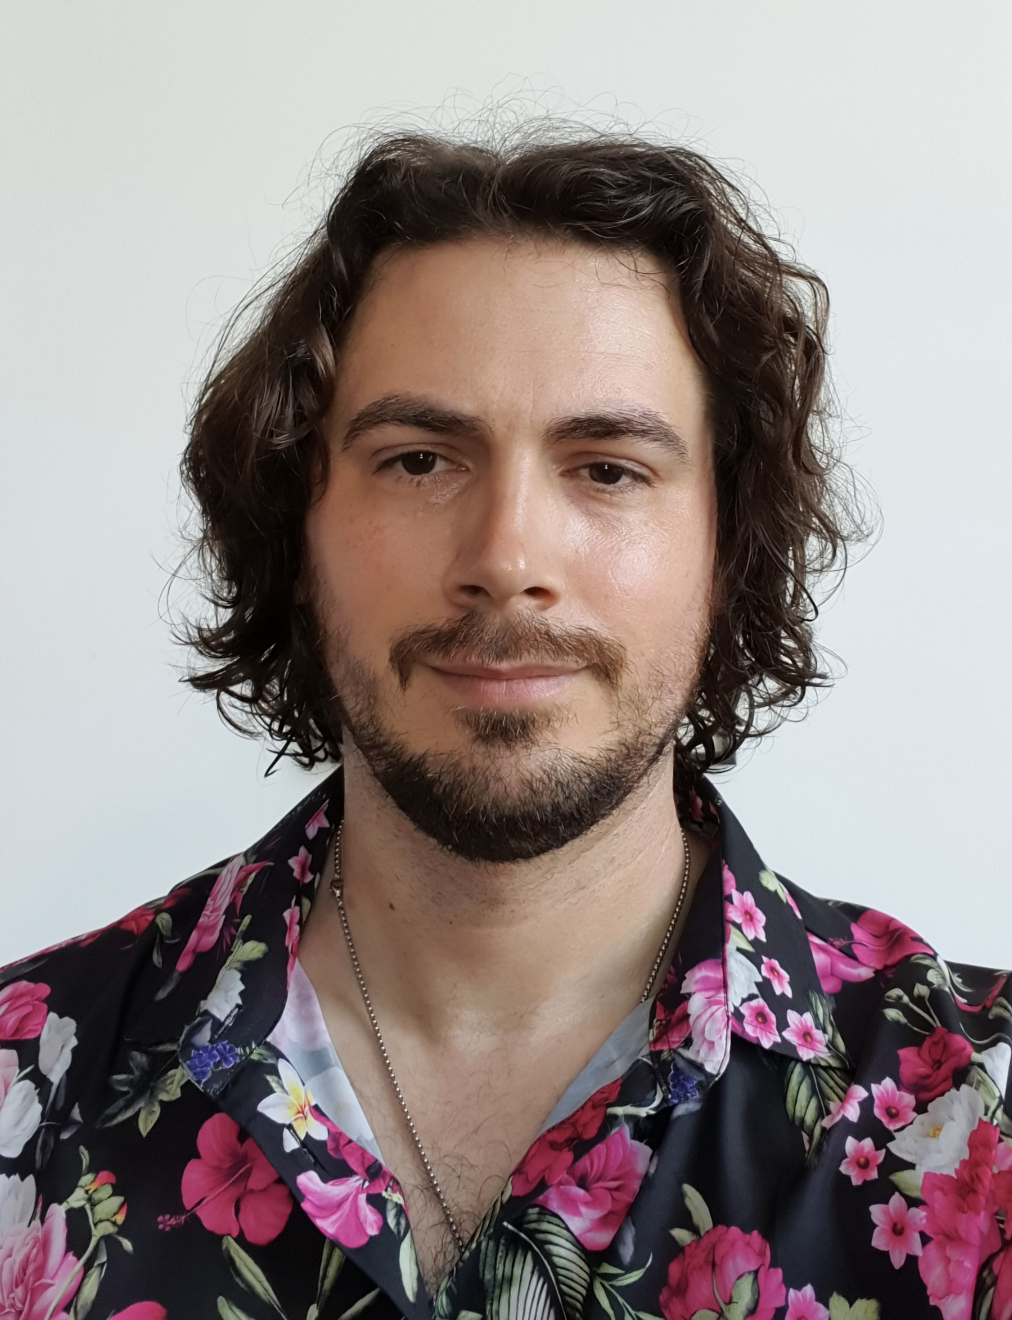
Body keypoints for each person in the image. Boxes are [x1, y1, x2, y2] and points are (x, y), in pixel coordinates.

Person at [1, 125, 1009, 1320]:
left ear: (725, 548)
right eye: (420, 460)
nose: (507, 558)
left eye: (609, 468)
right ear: (297, 530)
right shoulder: (28, 1081)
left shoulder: (978, 1115)